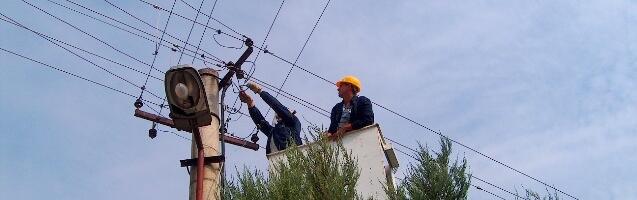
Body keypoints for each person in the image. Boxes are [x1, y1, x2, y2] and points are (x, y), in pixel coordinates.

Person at [239, 82, 302, 154]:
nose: (277, 116)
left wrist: (260, 91)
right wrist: (250, 103)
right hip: (277, 162)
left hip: (292, 157)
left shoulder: (292, 123)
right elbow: (261, 122)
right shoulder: (274, 133)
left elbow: (278, 107)